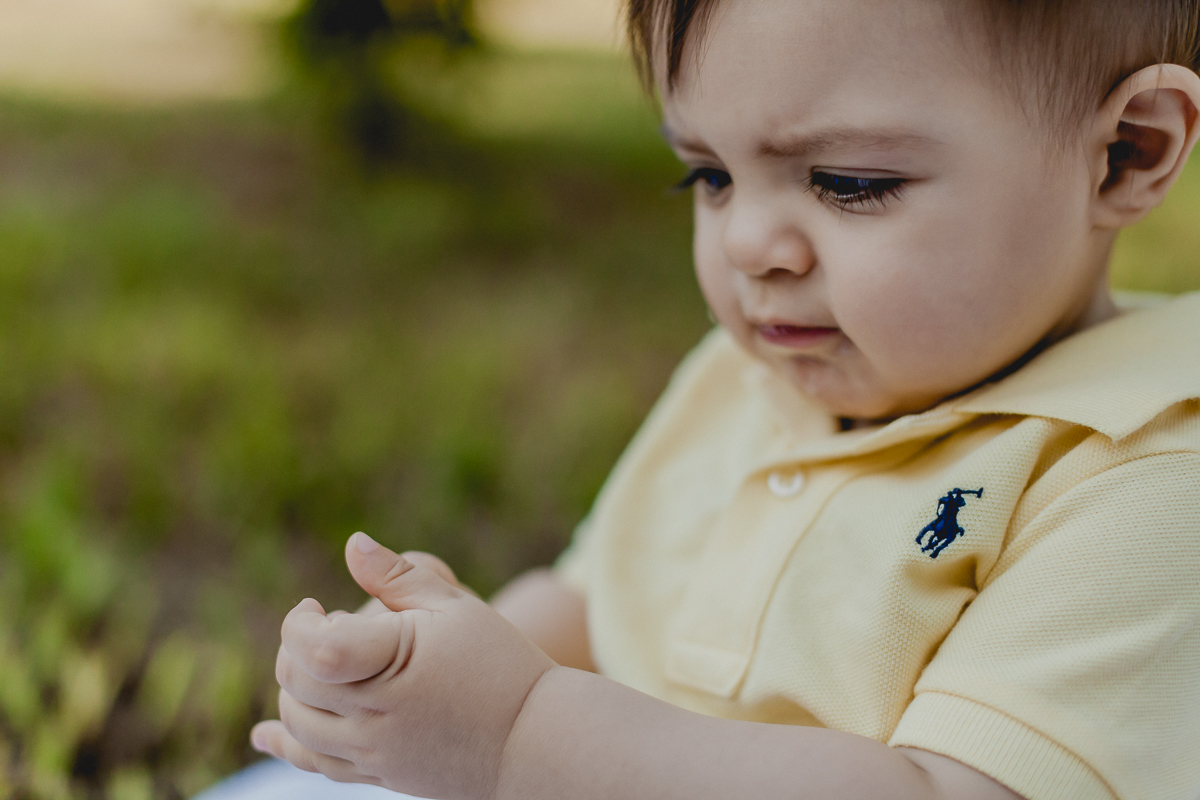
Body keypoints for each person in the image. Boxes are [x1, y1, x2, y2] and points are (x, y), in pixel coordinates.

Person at [201, 0, 1200, 797]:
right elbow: (599, 600)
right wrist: (431, 665)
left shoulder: (1141, 470)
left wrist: (515, 734)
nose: (747, 244)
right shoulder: (751, 373)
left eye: (848, 181)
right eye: (710, 177)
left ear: (1129, 152)